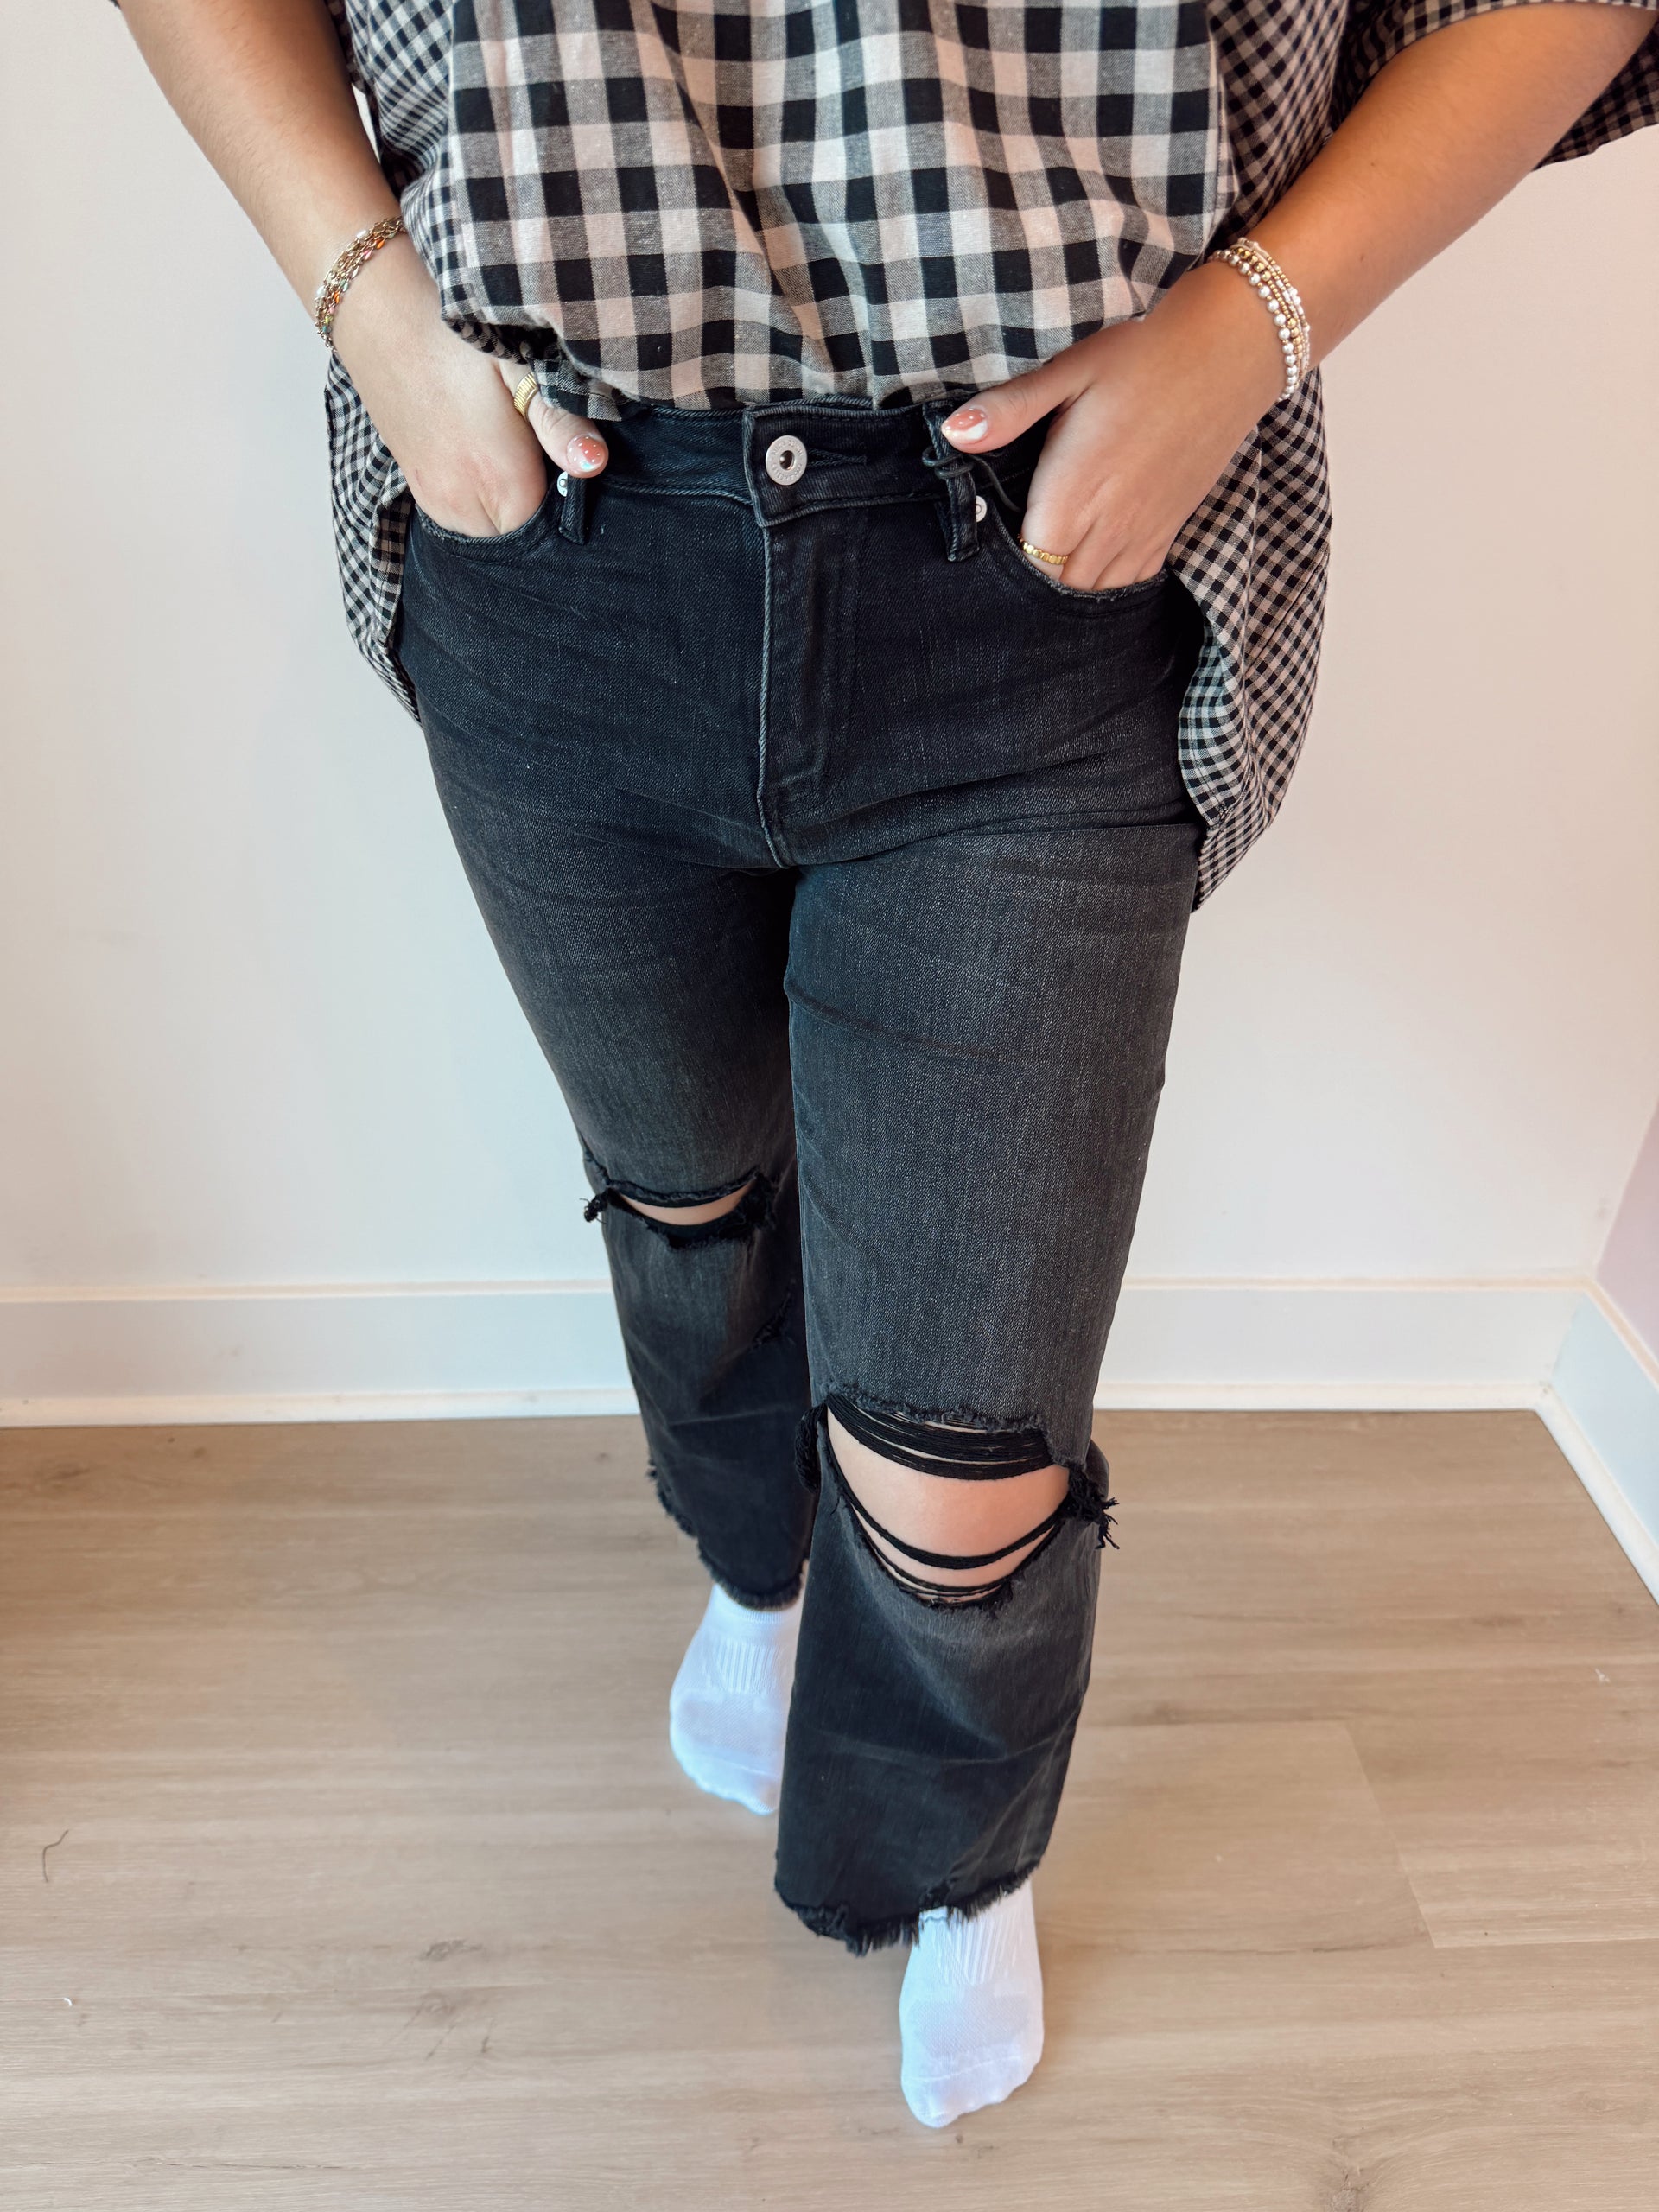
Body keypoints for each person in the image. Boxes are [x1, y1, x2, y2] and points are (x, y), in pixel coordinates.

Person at [115, 0, 1656, 2130]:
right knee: (688, 1195)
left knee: (969, 1450)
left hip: (1038, 564)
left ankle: (954, 1856)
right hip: (562, 541)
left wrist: (1247, 334)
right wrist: (373, 308)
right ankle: (756, 1569)